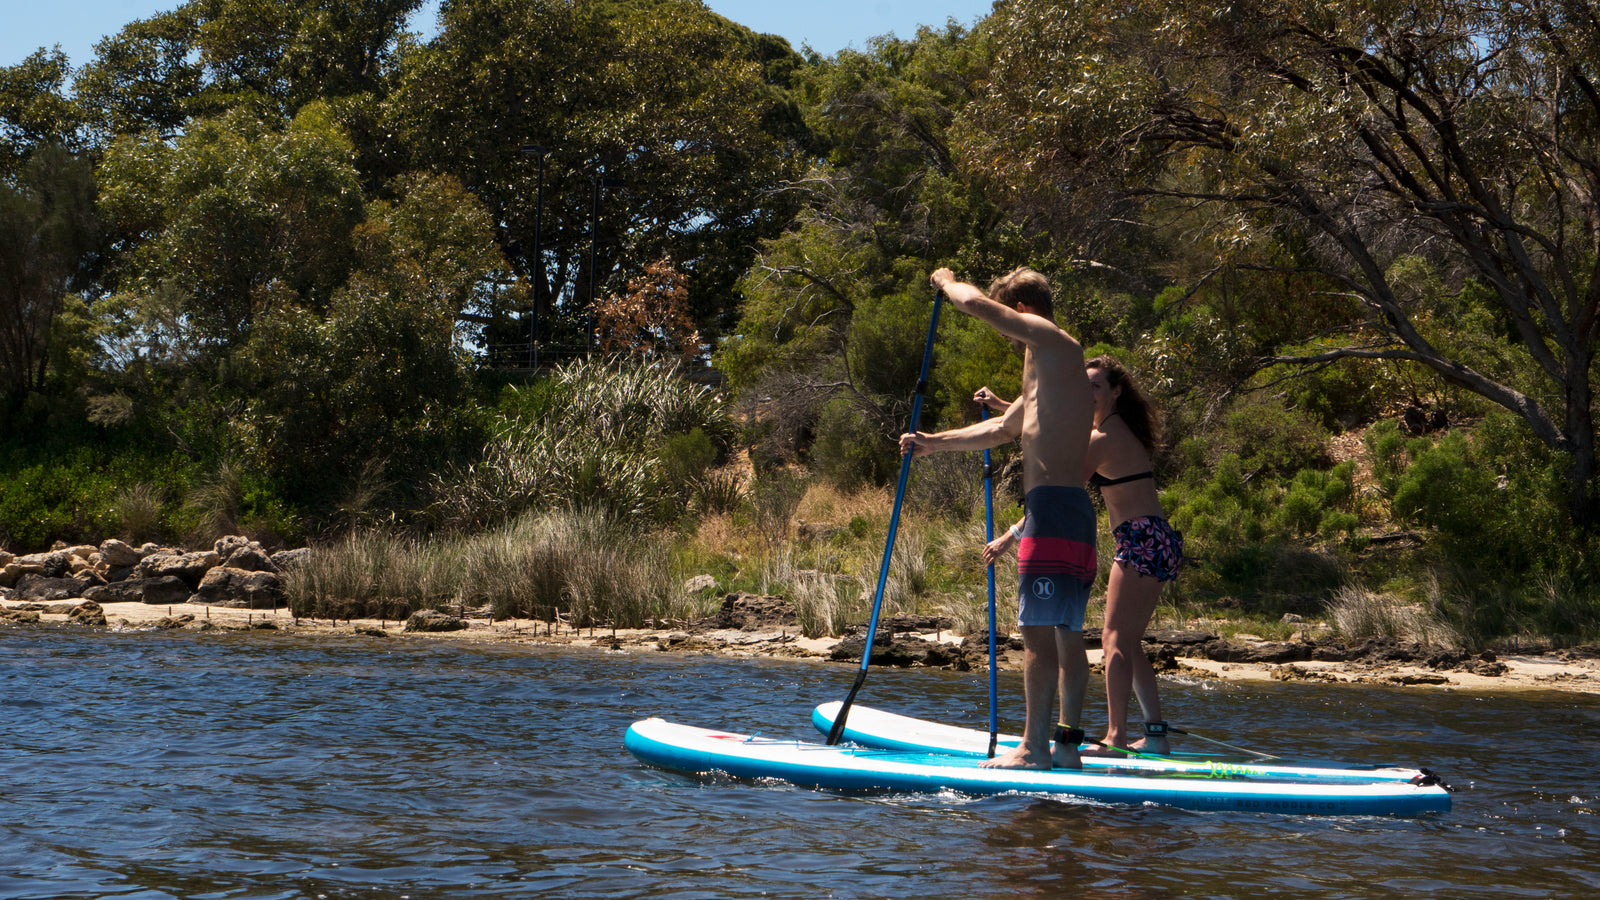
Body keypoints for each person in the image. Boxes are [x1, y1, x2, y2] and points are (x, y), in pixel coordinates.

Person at [900, 266, 1096, 770]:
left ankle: (1033, 749)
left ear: (1023, 311)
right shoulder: (1049, 370)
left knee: (1037, 633)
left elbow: (975, 306)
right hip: (1072, 511)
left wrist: (945, 281)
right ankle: (1066, 748)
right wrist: (931, 445)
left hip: (1051, 511)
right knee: (1065, 633)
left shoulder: (1050, 340)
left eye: (1010, 320)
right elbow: (1002, 431)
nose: (1007, 335)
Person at [976, 355, 1183, 755]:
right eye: (1083, 387)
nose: (1087, 394)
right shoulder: (1111, 429)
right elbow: (1060, 420)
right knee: (1130, 641)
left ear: (1115, 391)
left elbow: (1059, 493)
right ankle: (1156, 735)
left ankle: (1115, 737)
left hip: (1142, 540)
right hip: (1153, 539)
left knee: (1114, 640)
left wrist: (1008, 536)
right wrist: (1006, 407)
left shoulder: (1103, 438)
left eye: (1095, 387)